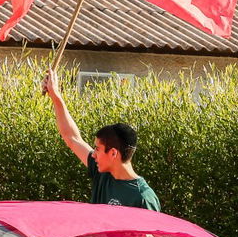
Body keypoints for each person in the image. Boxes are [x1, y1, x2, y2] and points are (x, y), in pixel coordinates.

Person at [42, 70, 161, 210]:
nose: (93, 154)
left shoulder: (143, 198)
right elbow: (72, 138)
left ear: (113, 153)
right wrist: (55, 95)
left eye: (97, 149)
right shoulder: (102, 173)